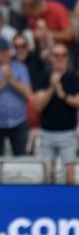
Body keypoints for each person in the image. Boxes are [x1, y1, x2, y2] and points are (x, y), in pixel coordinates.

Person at [33, 43, 79, 184]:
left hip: (68, 133)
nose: (60, 58)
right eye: (56, 55)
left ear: (67, 58)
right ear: (51, 58)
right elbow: (38, 106)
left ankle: (70, 205)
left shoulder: (74, 78)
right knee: (48, 175)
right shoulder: (43, 77)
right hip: (47, 132)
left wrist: (61, 92)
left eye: (63, 55)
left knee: (70, 176)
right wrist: (52, 88)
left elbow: (77, 102)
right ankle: (50, 204)